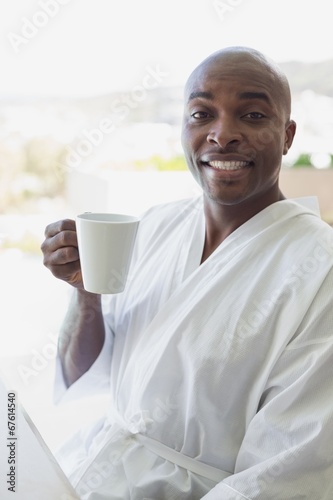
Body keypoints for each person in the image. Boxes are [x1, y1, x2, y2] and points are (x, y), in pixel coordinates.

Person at [41, 46, 333, 499]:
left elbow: (289, 469)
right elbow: (87, 374)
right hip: (88, 474)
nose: (223, 135)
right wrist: (86, 293)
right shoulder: (157, 224)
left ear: (288, 134)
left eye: (253, 116)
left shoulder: (320, 267)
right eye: (201, 114)